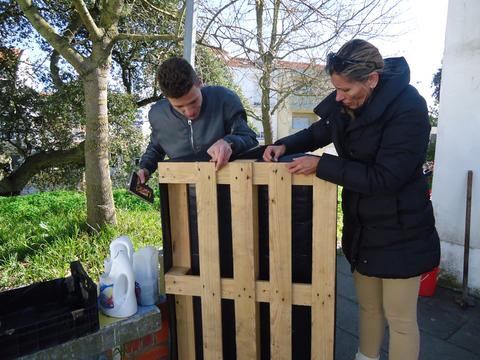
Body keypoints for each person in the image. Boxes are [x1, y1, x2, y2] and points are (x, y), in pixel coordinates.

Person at [263, 39, 440, 360]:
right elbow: (321, 130)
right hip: (363, 225)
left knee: (399, 319)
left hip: (402, 229)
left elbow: (387, 178)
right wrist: (284, 145)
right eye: (336, 90)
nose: (339, 98)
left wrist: (322, 165)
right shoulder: (349, 99)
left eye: (345, 90)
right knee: (369, 308)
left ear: (371, 79)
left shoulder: (409, 109)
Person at [137, 57, 258, 183]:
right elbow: (156, 148)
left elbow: (249, 138)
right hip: (182, 192)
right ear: (166, 97)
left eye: (193, 101)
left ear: (200, 83)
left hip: (228, 187)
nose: (190, 112)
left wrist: (229, 143)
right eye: (179, 107)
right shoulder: (157, 114)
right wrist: (145, 168)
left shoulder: (225, 99)